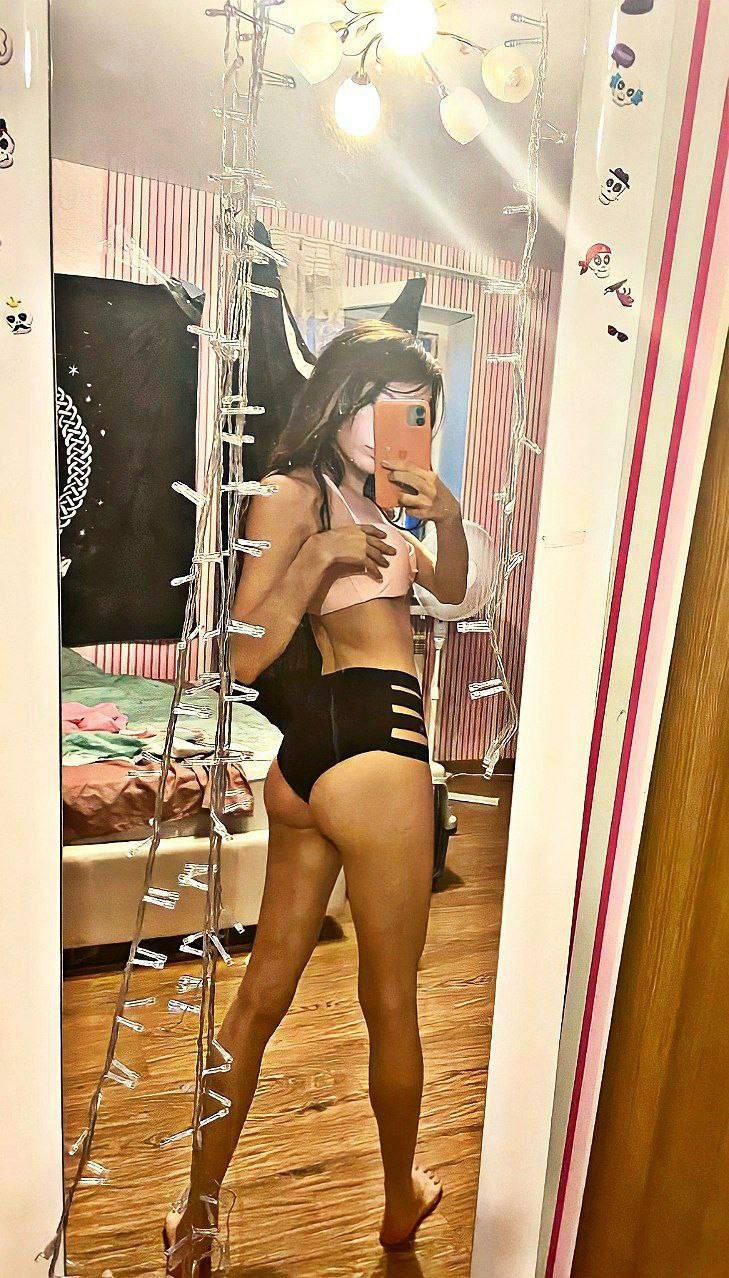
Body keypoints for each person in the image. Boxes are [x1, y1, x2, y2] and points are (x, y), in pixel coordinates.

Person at [164, 322, 468, 1275]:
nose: (399, 428)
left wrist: (449, 518)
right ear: (339, 399)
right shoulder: (293, 493)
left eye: (417, 413)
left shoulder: (390, 504)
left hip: (312, 760)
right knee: (389, 1001)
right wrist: (316, 558)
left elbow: (454, 593)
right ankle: (396, 1198)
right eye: (384, 403)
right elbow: (243, 656)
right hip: (376, 741)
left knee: (261, 998)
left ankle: (194, 1219)